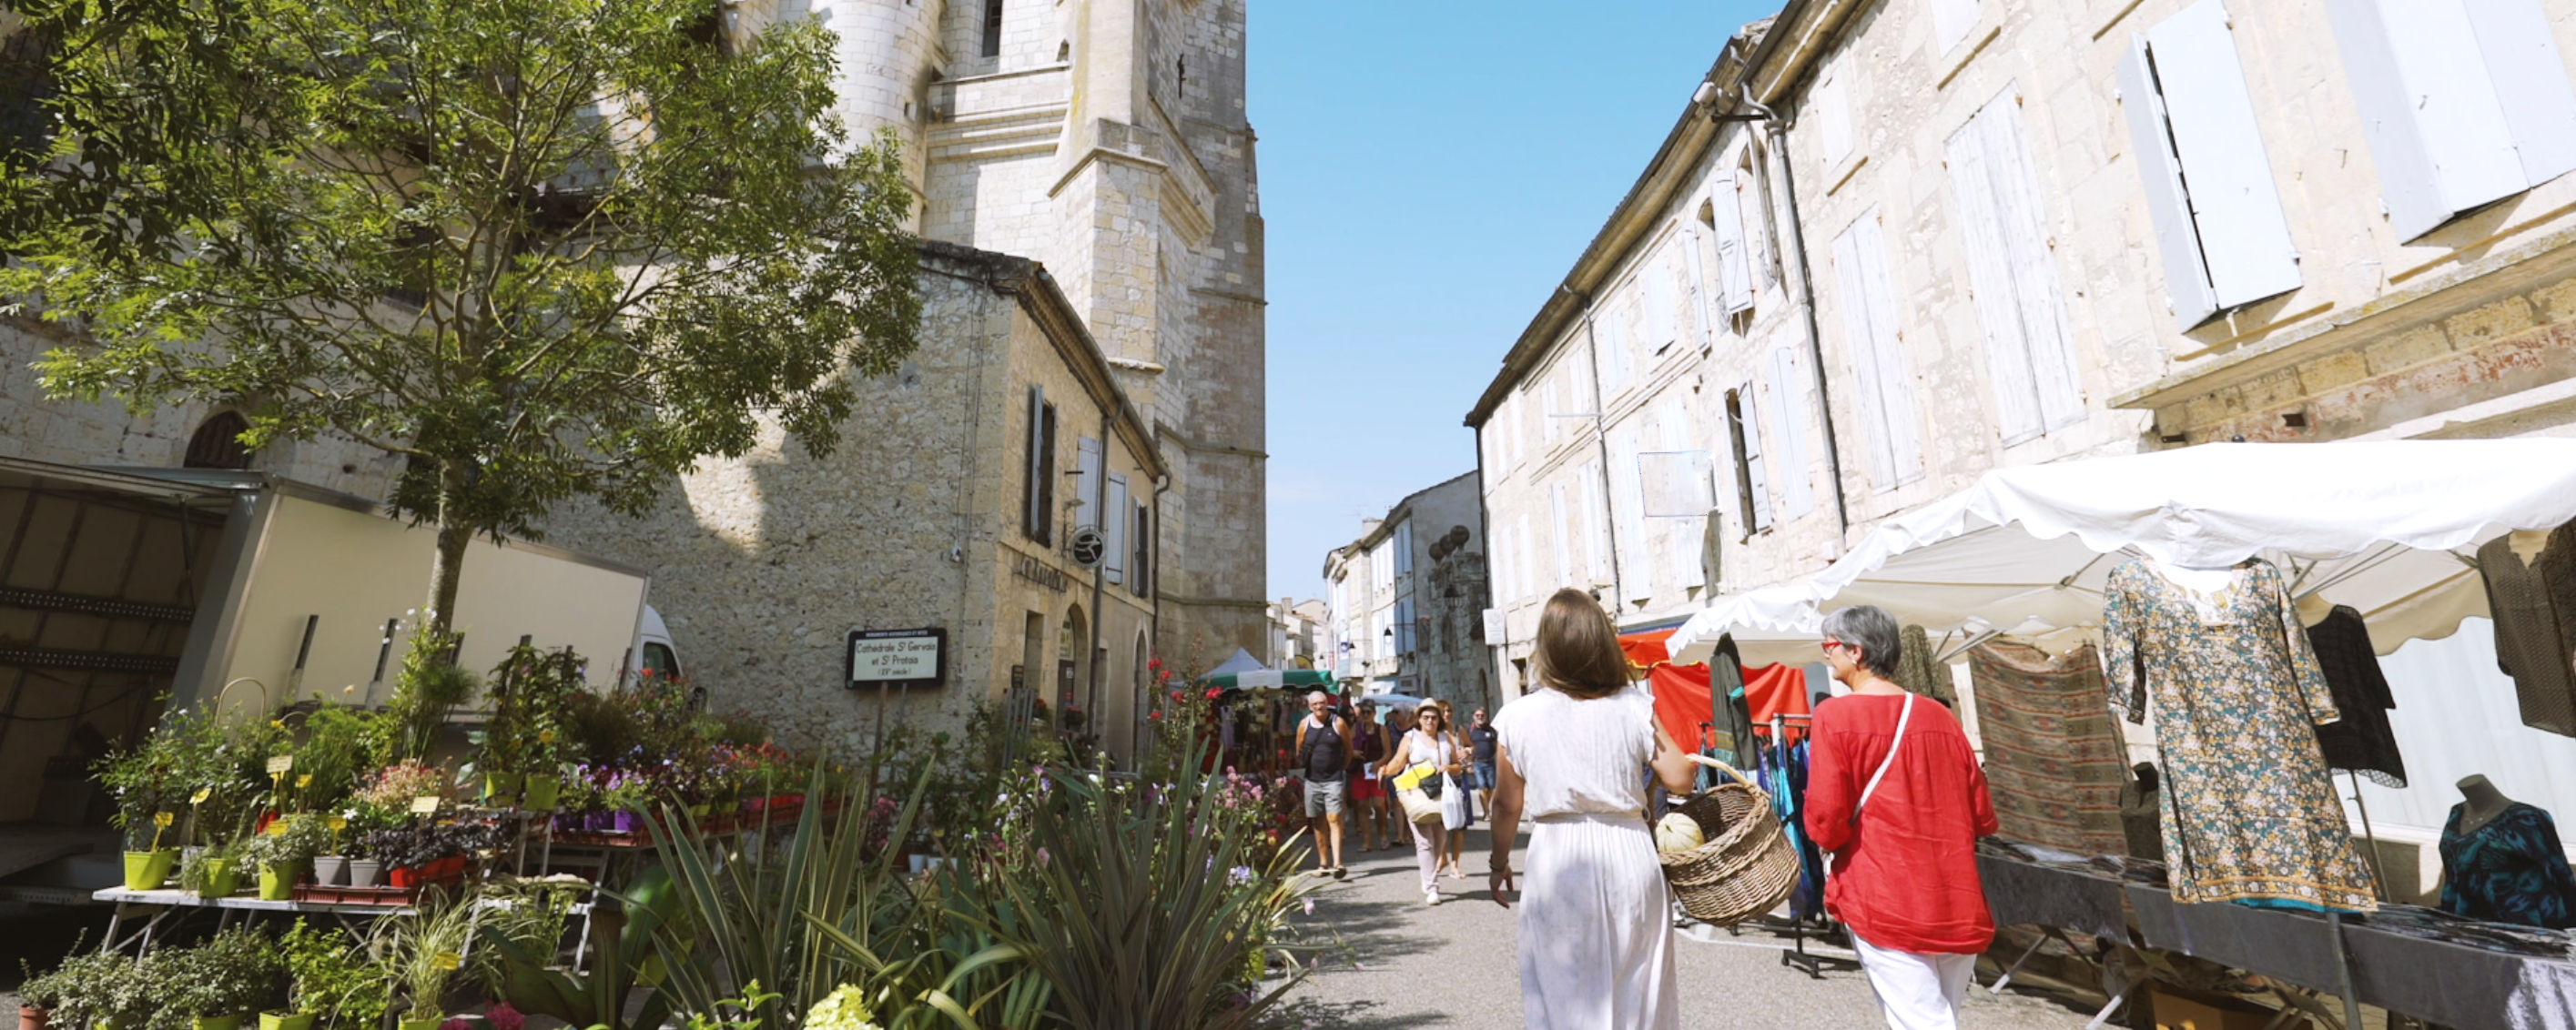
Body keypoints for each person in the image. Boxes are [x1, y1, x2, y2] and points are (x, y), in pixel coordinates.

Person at [1488, 589, 1696, 1029]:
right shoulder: (1634, 707)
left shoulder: (1518, 716)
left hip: (1557, 855)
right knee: (1638, 982)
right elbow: (1681, 776)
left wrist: (1498, 861)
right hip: (1628, 849)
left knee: (1561, 986)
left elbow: (1507, 804)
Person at [1805, 605, 1999, 1030]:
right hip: (1954, 894)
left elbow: (1826, 819)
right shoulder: (1940, 716)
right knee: (1940, 1017)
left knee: (1922, 1022)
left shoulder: (1834, 716)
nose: (1826, 656)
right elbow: (1981, 814)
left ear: (1855, 652)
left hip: (1886, 893)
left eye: (1829, 646)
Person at [1381, 704, 1470, 905]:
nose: (1430, 721)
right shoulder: (1410, 738)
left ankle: (1427, 877)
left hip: (1440, 793)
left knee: (1440, 839)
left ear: (1439, 720)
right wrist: (1383, 770)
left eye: (1434, 717)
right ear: (1419, 719)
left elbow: (1459, 767)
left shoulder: (1446, 738)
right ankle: (1432, 887)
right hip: (1416, 792)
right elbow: (1397, 762)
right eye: (1426, 717)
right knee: (1424, 842)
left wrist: (1449, 766)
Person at [1293, 690, 1353, 878]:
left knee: (1334, 818)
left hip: (1333, 779)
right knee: (1318, 822)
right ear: (1310, 707)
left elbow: (1348, 749)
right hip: (1312, 780)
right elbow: (1299, 749)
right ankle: (1323, 863)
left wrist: (1340, 769)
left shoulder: (1338, 723)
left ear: (1327, 703)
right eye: (1315, 704)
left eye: (1322, 703)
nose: (1319, 707)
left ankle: (1338, 863)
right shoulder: (1304, 724)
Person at [1436, 698, 1474, 878]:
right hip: (1441, 781)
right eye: (1443, 711)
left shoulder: (1459, 730)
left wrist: (1468, 751)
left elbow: (1472, 746)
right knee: (1442, 825)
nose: (1447, 714)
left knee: (1459, 826)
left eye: (1449, 710)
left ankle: (1455, 865)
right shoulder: (1434, 734)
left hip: (1459, 779)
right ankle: (1442, 858)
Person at [1347, 700, 1393, 852]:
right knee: (1361, 806)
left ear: (1374, 713)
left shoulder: (1382, 729)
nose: (1365, 716)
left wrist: (1379, 763)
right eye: (1362, 713)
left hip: (1377, 772)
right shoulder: (1356, 728)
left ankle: (1383, 835)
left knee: (1379, 805)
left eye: (1368, 712)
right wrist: (1352, 752)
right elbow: (1346, 744)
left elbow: (1388, 752)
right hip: (1360, 772)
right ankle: (1367, 841)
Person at [1468, 707, 1499, 811]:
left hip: (1490, 762)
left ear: (1485, 716)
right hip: (1477, 763)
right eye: (1477, 715)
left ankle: (1487, 806)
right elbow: (1467, 747)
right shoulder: (1471, 731)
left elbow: (1496, 745)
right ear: (1474, 717)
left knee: (1491, 788)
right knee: (1482, 787)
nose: (1480, 717)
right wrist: (1469, 764)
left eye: (1482, 715)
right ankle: (1486, 811)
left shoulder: (1491, 730)